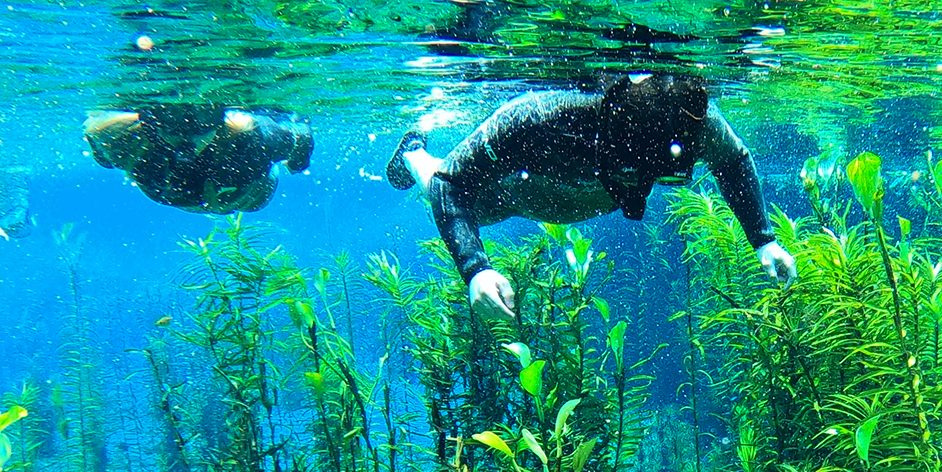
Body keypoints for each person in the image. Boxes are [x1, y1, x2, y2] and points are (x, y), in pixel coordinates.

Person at [386, 73, 796, 321]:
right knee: (450, 192)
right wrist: (475, 269)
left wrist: (764, 240)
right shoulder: (539, 117)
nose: (641, 173)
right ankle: (413, 154)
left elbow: (734, 160)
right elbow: (449, 183)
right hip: (514, 189)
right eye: (632, 161)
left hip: (580, 198)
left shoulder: (693, 121)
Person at [85, 105, 313, 214]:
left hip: (247, 194)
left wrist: (297, 163)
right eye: (170, 115)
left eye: (204, 117)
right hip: (177, 196)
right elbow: (95, 138)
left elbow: (301, 134)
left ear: (220, 118)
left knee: (251, 200)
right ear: (151, 120)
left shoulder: (252, 139)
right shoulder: (122, 136)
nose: (188, 131)